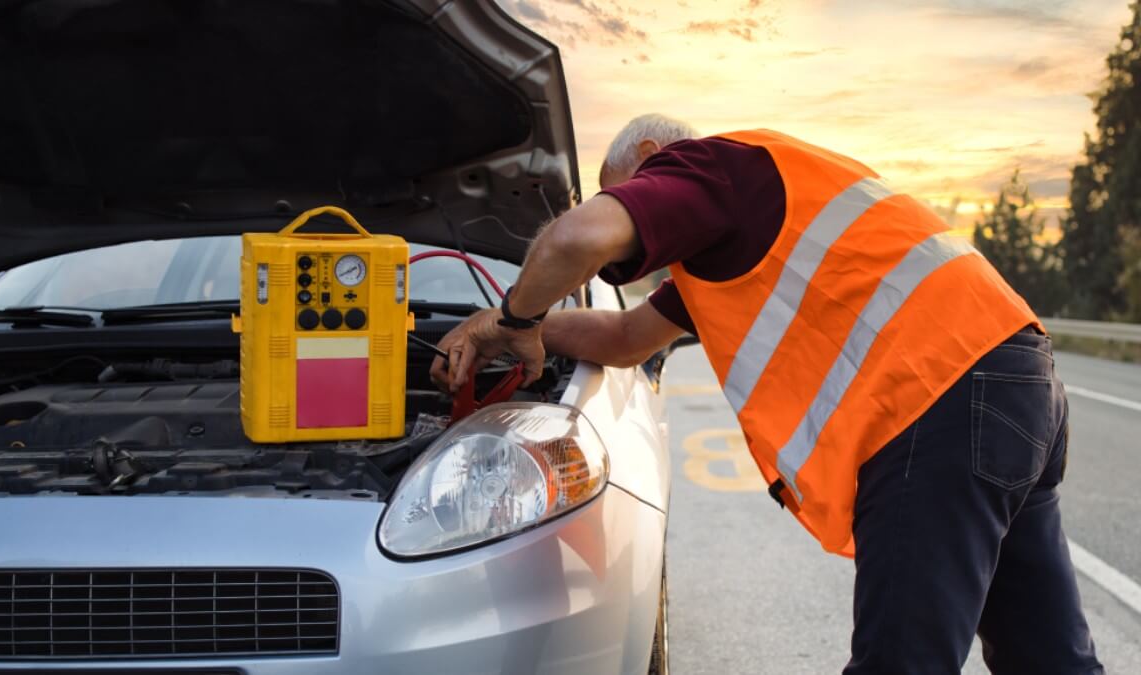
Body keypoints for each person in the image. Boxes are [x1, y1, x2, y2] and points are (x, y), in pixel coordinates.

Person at [430, 114, 1104, 674]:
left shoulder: (711, 169)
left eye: (625, 195)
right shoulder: (738, 232)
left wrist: (512, 318)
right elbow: (629, 335)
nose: (622, 260)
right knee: (1049, 659)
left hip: (938, 397)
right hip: (1019, 378)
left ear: (651, 158)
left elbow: (579, 236)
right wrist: (524, 329)